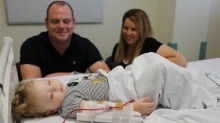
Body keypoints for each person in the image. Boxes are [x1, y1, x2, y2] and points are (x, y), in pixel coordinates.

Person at [12, 53, 220, 120]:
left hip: (120, 77)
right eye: (50, 95)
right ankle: (198, 97)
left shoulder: (66, 86)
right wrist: (132, 108)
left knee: (149, 60)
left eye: (49, 83)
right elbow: (100, 110)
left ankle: (200, 86)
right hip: (124, 91)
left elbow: (83, 78)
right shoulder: (69, 105)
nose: (56, 88)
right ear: (50, 110)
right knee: (156, 69)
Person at [19, 1, 110, 80]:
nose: (61, 26)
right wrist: (80, 76)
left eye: (66, 21)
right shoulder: (31, 46)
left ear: (73, 23)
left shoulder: (85, 45)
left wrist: (49, 77)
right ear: (46, 23)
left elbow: (107, 77)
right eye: (55, 21)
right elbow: (33, 87)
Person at [108, 9, 187, 69]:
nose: (128, 33)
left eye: (133, 29)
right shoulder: (117, 48)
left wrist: (150, 68)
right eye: (125, 28)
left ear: (142, 30)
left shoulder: (149, 44)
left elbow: (181, 60)